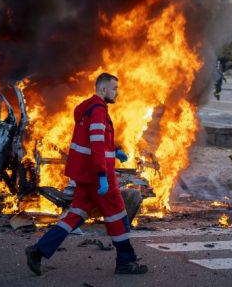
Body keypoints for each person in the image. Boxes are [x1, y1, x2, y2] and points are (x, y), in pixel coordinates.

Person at [25, 73, 148, 276]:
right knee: (118, 216)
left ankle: (38, 251)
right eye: (114, 88)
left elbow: (95, 141)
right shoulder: (99, 111)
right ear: (103, 90)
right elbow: (97, 145)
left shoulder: (88, 107)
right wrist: (102, 175)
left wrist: (114, 150)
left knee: (75, 215)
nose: (117, 92)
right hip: (98, 178)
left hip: (84, 176)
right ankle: (126, 261)